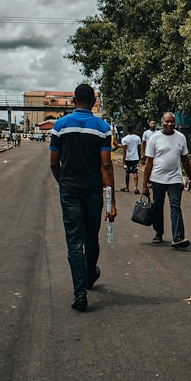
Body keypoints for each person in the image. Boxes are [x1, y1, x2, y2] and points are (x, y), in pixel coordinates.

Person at [49, 84, 117, 311]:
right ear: (94, 101)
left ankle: (80, 293)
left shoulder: (60, 125)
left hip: (70, 190)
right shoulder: (102, 128)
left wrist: (63, 183)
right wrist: (112, 201)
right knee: (91, 237)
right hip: (92, 192)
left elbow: (53, 162)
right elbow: (106, 165)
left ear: (73, 100)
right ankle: (89, 276)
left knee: (74, 242)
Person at [141, 112, 191, 248]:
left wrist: (190, 178)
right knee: (157, 207)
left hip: (175, 179)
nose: (169, 124)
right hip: (157, 179)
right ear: (161, 122)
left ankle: (178, 237)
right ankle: (158, 233)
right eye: (166, 121)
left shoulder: (181, 137)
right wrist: (144, 185)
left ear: (174, 123)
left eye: (172, 122)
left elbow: (185, 159)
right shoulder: (154, 138)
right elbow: (149, 162)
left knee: (175, 207)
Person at [119, 127, 142, 193]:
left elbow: (124, 151)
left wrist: (123, 161)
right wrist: (139, 158)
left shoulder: (124, 139)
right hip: (135, 158)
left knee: (127, 173)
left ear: (127, 131)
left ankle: (127, 187)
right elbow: (139, 149)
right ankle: (136, 187)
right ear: (133, 130)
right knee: (135, 172)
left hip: (128, 158)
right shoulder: (137, 138)